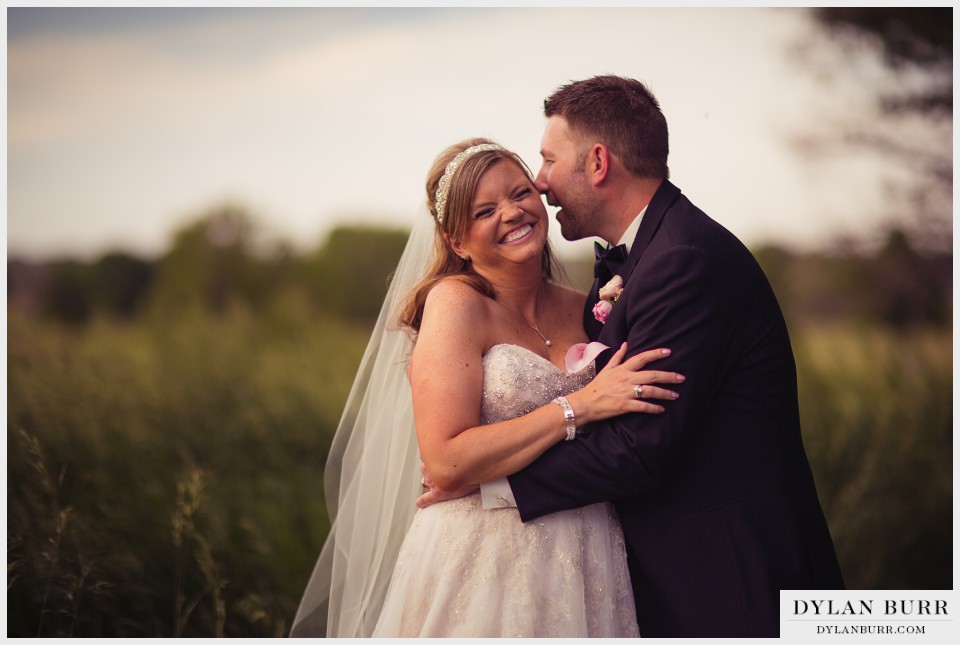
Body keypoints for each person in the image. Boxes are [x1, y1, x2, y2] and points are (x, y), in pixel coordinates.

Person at [423, 75, 846, 637]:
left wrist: (489, 484)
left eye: (546, 163)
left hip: (729, 576)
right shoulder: (644, 258)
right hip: (595, 565)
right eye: (485, 209)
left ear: (597, 163)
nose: (540, 183)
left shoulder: (682, 260)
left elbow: (637, 449)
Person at [289, 138, 684, 637]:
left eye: (520, 193)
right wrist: (579, 406)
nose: (513, 212)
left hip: (590, 551)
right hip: (486, 557)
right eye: (485, 210)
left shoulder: (584, 309)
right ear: (457, 242)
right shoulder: (456, 304)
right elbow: (447, 462)